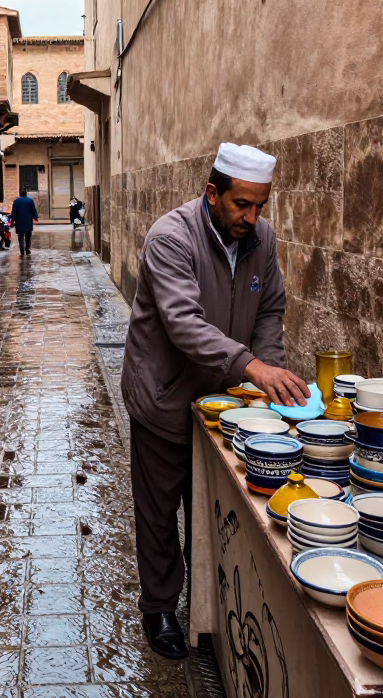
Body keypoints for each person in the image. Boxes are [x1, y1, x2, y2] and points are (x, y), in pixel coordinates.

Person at [121, 143, 309, 660]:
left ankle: (206, 608)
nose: (251, 217)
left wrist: (263, 381)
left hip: (224, 404)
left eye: (259, 206)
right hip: (163, 397)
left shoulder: (261, 239)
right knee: (159, 512)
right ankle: (159, 607)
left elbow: (269, 310)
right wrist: (252, 366)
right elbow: (184, 323)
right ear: (212, 193)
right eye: (241, 204)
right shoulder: (170, 238)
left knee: (210, 511)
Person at [10, 187, 39, 256]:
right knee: (28, 236)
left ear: (20, 194)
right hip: (28, 221)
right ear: (26, 194)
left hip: (19, 221)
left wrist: (12, 220)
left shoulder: (16, 201)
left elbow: (14, 211)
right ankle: (27, 249)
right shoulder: (30, 200)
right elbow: (33, 210)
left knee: (20, 236)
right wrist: (35, 217)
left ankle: (22, 250)